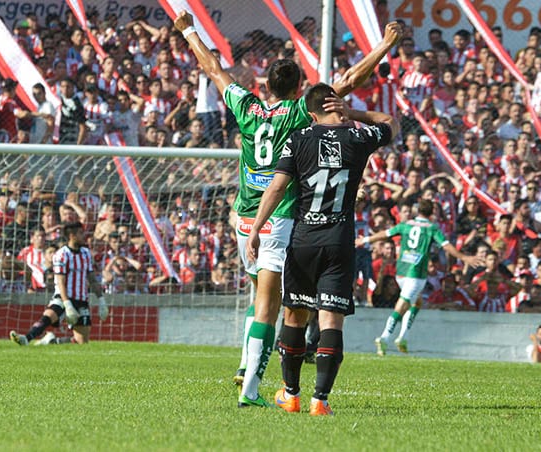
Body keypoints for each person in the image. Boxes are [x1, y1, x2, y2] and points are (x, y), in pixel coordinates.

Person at [172, 10, 403, 407]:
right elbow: (345, 84)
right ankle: (253, 386)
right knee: (272, 306)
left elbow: (212, 68)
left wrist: (189, 30)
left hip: (245, 216)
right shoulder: (298, 114)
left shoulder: (246, 107)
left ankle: (248, 366)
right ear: (300, 88)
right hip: (280, 219)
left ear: (264, 86)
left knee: (256, 297)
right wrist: (383, 46)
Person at [246, 83, 398, 416]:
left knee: (294, 315)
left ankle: (291, 394)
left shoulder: (298, 138)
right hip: (339, 240)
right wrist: (352, 113)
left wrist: (256, 228)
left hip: (304, 239)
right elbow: (390, 120)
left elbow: (276, 187)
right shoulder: (357, 138)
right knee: (331, 320)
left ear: (311, 113)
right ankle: (321, 401)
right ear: (337, 107)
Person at [357, 199, 482, 355]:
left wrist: (365, 240)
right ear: (432, 213)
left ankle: (403, 337)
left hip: (401, 270)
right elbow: (447, 246)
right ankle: (385, 337)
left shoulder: (406, 224)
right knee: (403, 304)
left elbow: (385, 234)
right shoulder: (431, 228)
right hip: (416, 273)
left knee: (417, 302)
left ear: (417, 211)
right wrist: (464, 258)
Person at [9, 222, 108, 345]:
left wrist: (101, 300)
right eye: (80, 233)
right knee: (49, 316)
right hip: (63, 296)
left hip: (81, 299)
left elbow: (92, 278)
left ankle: (51, 341)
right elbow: (60, 281)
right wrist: (67, 304)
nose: (84, 236)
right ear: (72, 236)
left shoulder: (85, 253)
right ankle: (26, 338)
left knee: (82, 342)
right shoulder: (61, 254)